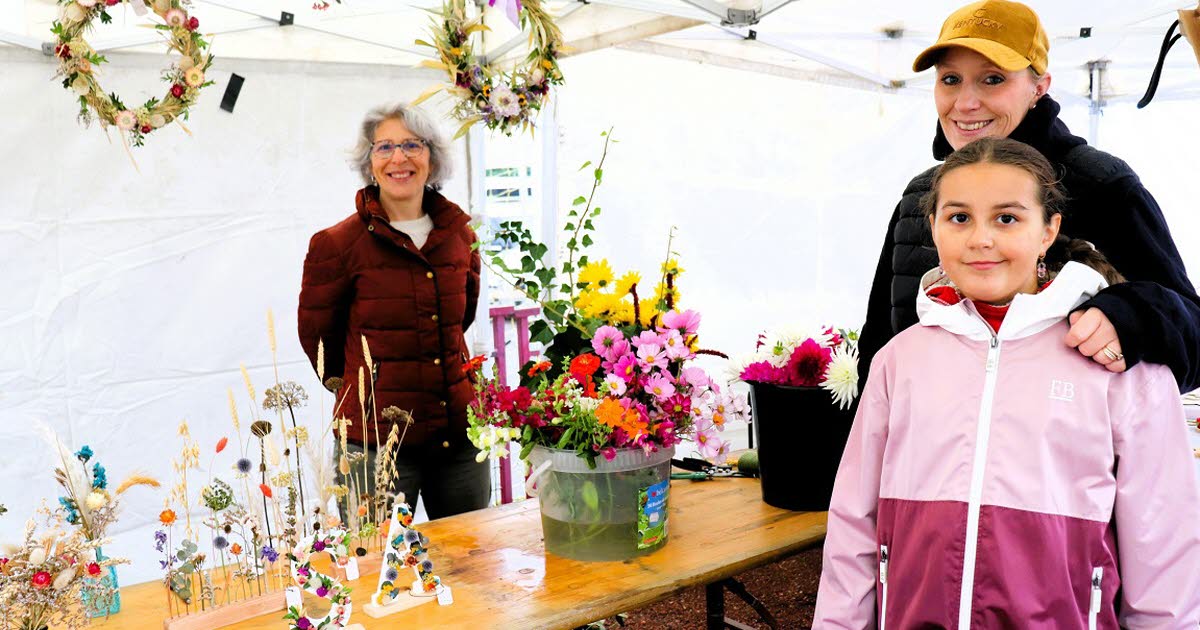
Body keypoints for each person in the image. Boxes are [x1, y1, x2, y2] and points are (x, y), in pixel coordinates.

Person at [813, 137, 1200, 626]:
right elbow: (853, 520)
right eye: (959, 218)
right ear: (932, 227)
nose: (980, 239)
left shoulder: (1117, 363)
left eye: (1007, 218)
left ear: (1048, 229)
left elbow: (1164, 535)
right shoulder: (899, 360)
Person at [857, 0, 1200, 394]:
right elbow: (879, 347)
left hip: (1059, 452)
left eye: (992, 79)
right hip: (933, 450)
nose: (966, 103)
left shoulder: (1100, 185)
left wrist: (1127, 317)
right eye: (950, 79)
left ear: (1039, 87)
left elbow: (1192, 332)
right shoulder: (921, 193)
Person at [297, 103, 489, 519]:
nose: (398, 158)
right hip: (372, 445)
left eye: (411, 145)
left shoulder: (460, 236)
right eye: (384, 147)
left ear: (432, 158)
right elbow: (319, 340)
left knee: (472, 562)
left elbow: (461, 319)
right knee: (373, 570)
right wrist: (360, 390)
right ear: (369, 163)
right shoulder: (336, 244)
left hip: (458, 439)